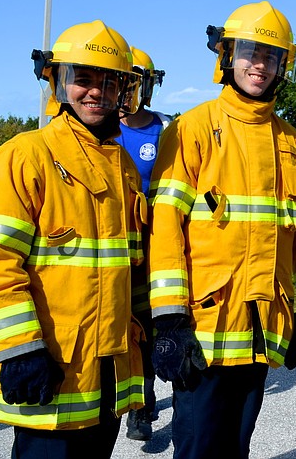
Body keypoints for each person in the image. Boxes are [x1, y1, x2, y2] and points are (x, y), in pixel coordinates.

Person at [148, 1, 296, 458]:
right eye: (249, 52)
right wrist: (169, 319)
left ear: (284, 64)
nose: (259, 65)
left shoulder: (290, 141)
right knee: (198, 447)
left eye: (271, 56)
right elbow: (164, 226)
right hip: (203, 328)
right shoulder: (192, 128)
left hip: (260, 325)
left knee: (236, 446)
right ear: (226, 56)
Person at [0, 20, 146, 458]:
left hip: (107, 375)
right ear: (58, 82)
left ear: (124, 91)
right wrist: (20, 350)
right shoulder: (23, 155)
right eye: (83, 80)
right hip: (50, 368)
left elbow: (129, 265)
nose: (96, 92)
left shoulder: (124, 167)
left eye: (109, 82)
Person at [117, 46, 170, 441]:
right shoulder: (98, 127)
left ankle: (142, 407)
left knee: (149, 328)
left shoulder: (166, 130)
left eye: (135, 83)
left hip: (154, 244)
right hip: (113, 245)